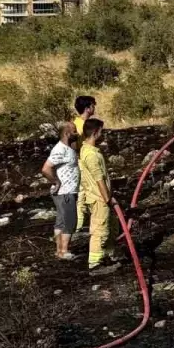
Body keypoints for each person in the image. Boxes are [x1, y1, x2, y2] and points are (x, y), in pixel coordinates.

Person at [79, 118, 117, 271]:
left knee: (111, 227)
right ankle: (95, 264)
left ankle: (108, 255)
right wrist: (107, 198)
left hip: (100, 197)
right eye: (102, 131)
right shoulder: (91, 155)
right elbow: (98, 178)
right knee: (99, 231)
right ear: (95, 133)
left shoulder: (88, 150)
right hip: (99, 199)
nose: (104, 134)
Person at [41, 122, 80, 260]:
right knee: (70, 221)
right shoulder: (60, 149)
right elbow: (46, 168)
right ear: (66, 133)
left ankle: (59, 250)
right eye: (74, 131)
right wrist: (56, 181)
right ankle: (64, 250)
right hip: (65, 191)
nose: (77, 133)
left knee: (61, 221)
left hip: (67, 191)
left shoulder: (69, 148)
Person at [72, 96, 97, 232]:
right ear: (88, 108)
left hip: (85, 161)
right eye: (93, 105)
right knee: (83, 194)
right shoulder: (80, 126)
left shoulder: (77, 123)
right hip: (83, 163)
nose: (94, 108)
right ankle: (79, 225)